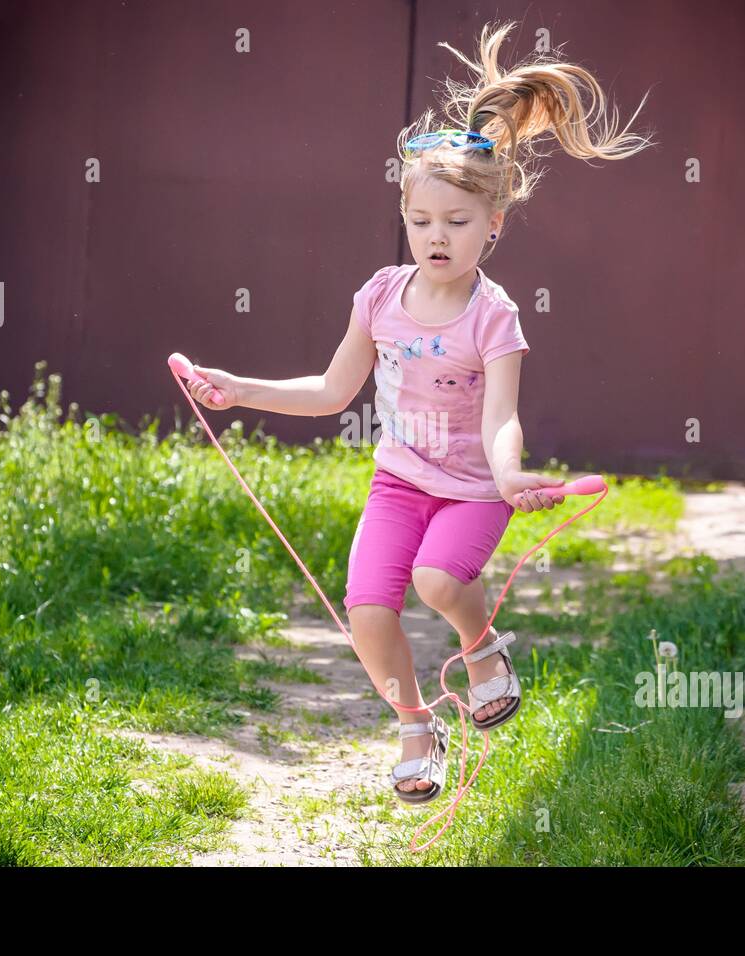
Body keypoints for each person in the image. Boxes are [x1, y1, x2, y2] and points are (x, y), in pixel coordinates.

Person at [184, 20, 651, 803]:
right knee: (367, 609)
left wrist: (509, 476)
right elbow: (334, 391)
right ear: (404, 217)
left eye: (458, 223)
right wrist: (242, 390)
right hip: (398, 481)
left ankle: (482, 645)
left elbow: (503, 414)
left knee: (437, 579)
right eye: (421, 221)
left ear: (494, 226)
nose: (436, 237)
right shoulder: (379, 295)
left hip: (471, 490)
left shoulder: (493, 315)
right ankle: (414, 724)